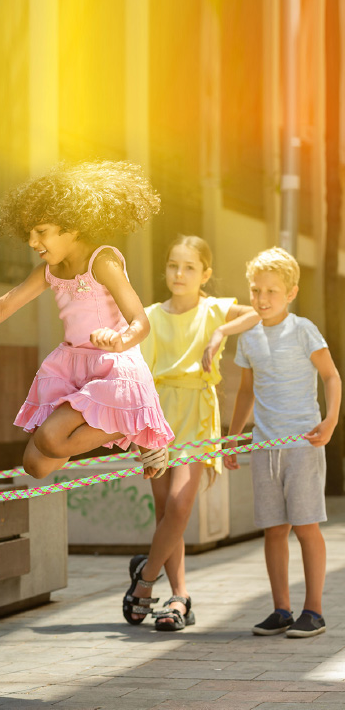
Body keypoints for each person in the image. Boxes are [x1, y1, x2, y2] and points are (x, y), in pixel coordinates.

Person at [0, 161, 173, 484]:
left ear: (73, 226)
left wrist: (120, 340)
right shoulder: (48, 271)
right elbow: (4, 305)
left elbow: (140, 321)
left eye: (41, 232)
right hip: (73, 366)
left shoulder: (103, 261)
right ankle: (132, 428)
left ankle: (136, 428)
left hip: (112, 366)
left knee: (51, 439)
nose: (32, 242)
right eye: (28, 234)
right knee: (36, 465)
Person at [128, 235, 259, 630]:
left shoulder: (214, 309)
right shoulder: (149, 315)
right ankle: (179, 596)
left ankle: (145, 582)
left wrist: (221, 333)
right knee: (166, 511)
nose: (179, 273)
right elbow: (138, 377)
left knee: (181, 507)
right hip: (156, 417)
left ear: (206, 274)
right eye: (172, 264)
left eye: (189, 267)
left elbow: (254, 313)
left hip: (198, 415)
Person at [224, 247, 340, 638]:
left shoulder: (303, 329)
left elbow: (332, 377)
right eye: (256, 290)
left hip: (303, 444)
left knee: (306, 527)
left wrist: (330, 420)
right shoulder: (249, 336)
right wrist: (234, 435)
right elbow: (246, 391)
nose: (262, 298)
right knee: (274, 529)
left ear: (290, 293)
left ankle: (315, 611)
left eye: (272, 291)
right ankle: (281, 609)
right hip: (264, 447)